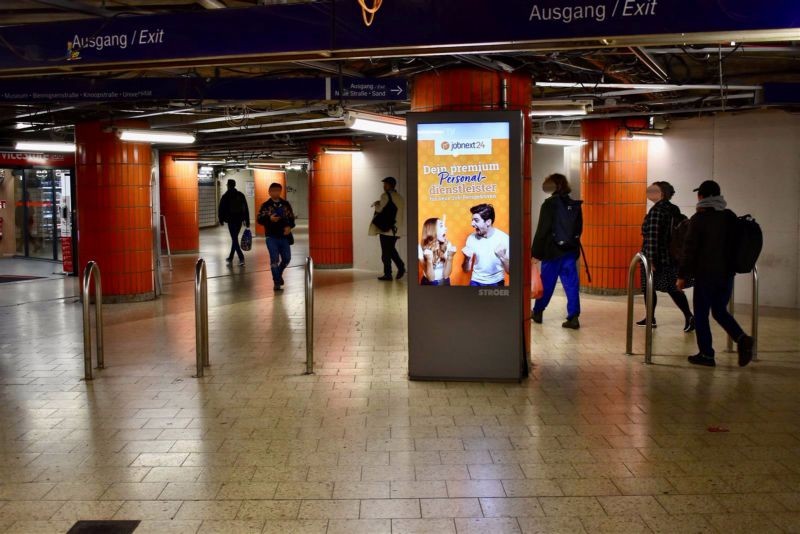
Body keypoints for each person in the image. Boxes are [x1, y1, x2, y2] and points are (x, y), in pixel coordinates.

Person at [677, 179, 754, 367]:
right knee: (719, 310)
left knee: (701, 314)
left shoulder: (699, 219)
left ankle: (706, 354)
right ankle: (742, 338)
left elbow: (689, 250)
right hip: (727, 274)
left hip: (705, 275)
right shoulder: (730, 217)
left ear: (701, 196)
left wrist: (682, 276)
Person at [638, 181, 694, 332]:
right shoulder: (673, 209)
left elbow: (652, 236)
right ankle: (688, 316)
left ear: (661, 193)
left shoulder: (657, 211)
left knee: (649, 287)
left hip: (657, 257)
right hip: (671, 255)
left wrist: (650, 259)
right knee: (672, 287)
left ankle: (652, 318)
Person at [531, 173, 582, 329]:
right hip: (569, 252)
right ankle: (573, 317)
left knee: (546, 283)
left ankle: (538, 312)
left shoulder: (548, 204)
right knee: (571, 285)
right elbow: (579, 229)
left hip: (552, 252)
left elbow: (542, 231)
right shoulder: (574, 204)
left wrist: (536, 253)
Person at [257, 182, 296, 291]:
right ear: (269, 192)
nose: (275, 193)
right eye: (273, 190)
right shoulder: (265, 206)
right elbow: (259, 219)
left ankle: (278, 274)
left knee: (287, 259)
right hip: (271, 237)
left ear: (280, 191)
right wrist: (269, 219)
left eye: (278, 190)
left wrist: (289, 227)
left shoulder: (285, 204)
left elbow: (292, 219)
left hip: (284, 236)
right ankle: (276, 282)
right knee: (274, 259)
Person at [461, 203, 509, 287]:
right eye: (472, 220)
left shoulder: (504, 239)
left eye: (476, 220)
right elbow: (466, 270)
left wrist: (503, 257)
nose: (472, 224)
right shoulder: (471, 239)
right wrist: (467, 259)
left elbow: (510, 272)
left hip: (497, 282)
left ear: (488, 222)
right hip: (475, 281)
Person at [369, 176, 406, 281]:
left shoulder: (385, 196)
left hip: (387, 229)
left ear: (390, 185)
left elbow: (381, 209)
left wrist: (377, 204)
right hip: (397, 229)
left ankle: (389, 273)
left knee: (386, 253)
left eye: (385, 184)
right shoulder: (400, 197)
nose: (384, 186)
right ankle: (399, 268)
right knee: (391, 250)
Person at [218, 179, 249, 266]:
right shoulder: (240, 195)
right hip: (239, 220)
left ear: (228, 185)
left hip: (231, 220)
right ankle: (231, 257)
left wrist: (221, 219)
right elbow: (245, 208)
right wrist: (247, 220)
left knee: (234, 239)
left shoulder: (225, 196)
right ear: (234, 185)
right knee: (234, 238)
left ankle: (241, 258)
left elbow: (221, 208)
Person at [419, 216, 456, 285]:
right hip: (428, 283)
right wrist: (429, 260)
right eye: (441, 226)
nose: (446, 228)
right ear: (432, 230)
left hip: (445, 282)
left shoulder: (447, 245)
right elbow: (431, 278)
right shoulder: (420, 248)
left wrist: (450, 257)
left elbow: (446, 275)